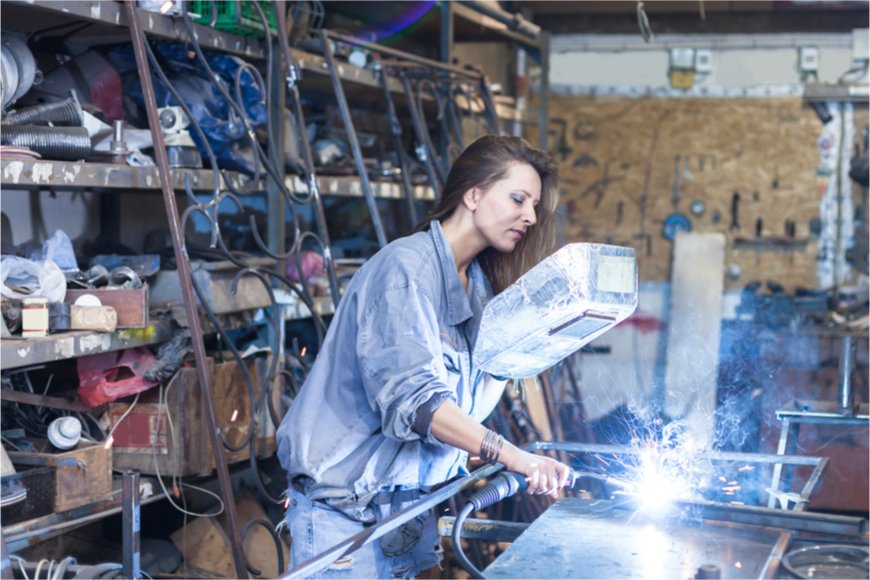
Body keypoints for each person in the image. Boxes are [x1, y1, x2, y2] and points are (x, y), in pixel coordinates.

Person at [276, 134, 573, 578]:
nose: (529, 216)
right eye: (518, 198)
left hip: (412, 508)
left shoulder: (478, 286)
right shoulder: (406, 271)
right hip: (346, 518)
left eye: (533, 204)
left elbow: (465, 400)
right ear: (473, 195)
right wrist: (514, 456)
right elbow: (419, 403)